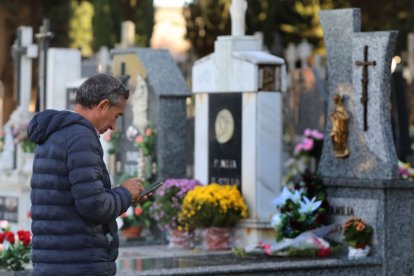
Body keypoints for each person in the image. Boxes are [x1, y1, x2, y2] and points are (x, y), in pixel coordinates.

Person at [28, 74, 147, 275]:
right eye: (116, 116)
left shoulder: (56, 132)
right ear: (102, 105)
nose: (113, 126)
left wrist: (125, 194)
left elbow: (73, 197)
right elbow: (94, 206)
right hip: (79, 263)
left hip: (54, 261)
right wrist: (126, 193)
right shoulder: (81, 136)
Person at [330, 94, 349, 158]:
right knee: (334, 137)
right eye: (334, 100)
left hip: (341, 127)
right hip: (335, 126)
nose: (335, 101)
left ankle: (343, 150)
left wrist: (338, 114)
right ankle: (337, 150)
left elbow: (346, 117)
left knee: (341, 138)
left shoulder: (341, 108)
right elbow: (333, 117)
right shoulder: (335, 108)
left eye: (336, 100)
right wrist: (333, 115)